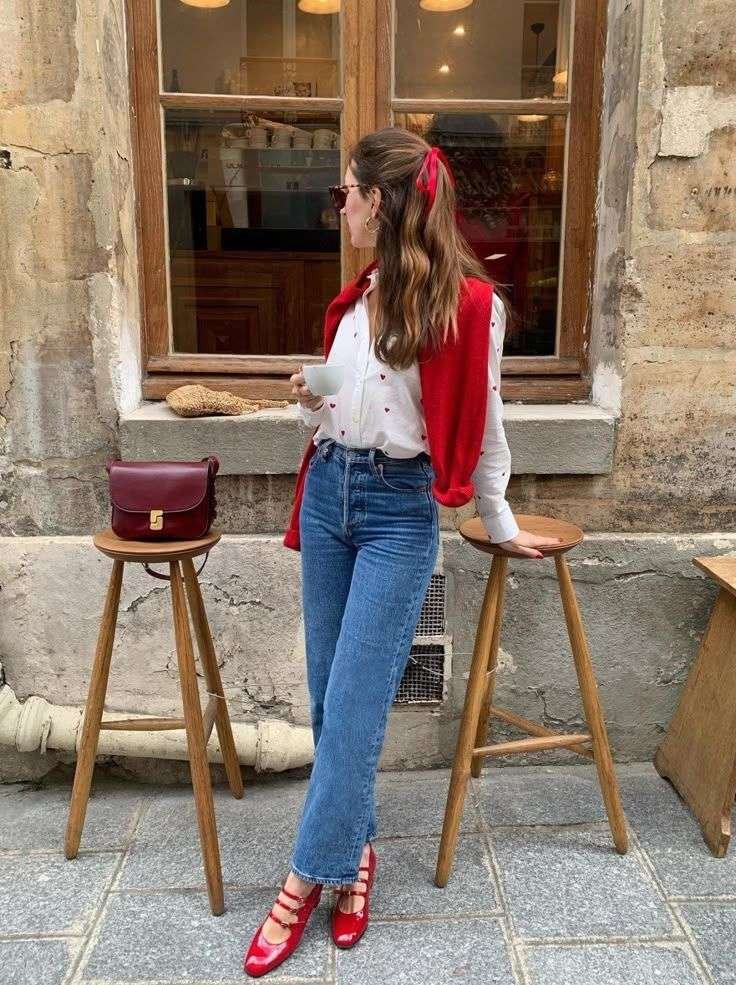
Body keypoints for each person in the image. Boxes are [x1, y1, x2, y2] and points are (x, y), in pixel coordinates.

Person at [243, 126, 562, 978]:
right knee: (326, 695)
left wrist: (497, 520)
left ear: (379, 202)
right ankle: (357, 861)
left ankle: (304, 878)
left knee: (354, 703)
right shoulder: (358, 296)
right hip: (331, 498)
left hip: (397, 512)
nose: (337, 208)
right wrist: (310, 402)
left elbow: (484, 425)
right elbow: (347, 408)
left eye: (345, 194)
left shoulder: (468, 306)